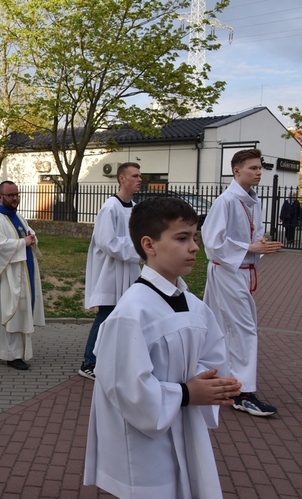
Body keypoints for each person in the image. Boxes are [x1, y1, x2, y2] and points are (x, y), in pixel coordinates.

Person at [84, 197, 241, 498]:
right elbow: (126, 387)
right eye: (182, 238)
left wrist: (211, 383)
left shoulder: (195, 306)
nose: (195, 246)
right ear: (149, 245)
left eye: (194, 236)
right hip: (147, 444)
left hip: (186, 425)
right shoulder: (133, 311)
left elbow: (212, 355)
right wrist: (185, 393)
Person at [202, 148, 283, 417]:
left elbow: (253, 236)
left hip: (242, 270)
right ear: (236, 171)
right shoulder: (226, 201)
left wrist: (260, 245)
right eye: (252, 168)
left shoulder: (252, 200)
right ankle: (243, 392)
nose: (258, 172)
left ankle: (223, 379)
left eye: (260, 168)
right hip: (228, 271)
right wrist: (250, 247)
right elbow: (212, 244)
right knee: (244, 329)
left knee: (224, 327)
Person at [78, 162, 142, 380]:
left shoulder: (133, 207)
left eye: (139, 175)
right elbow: (107, 242)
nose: (139, 179)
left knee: (125, 316)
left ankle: (115, 359)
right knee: (105, 316)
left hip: (129, 270)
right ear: (122, 179)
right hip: (110, 272)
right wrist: (139, 250)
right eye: (135, 175)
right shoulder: (110, 207)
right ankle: (89, 362)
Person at [0, 180, 44, 370]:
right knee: (10, 313)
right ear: (1, 197)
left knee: (7, 313)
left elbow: (27, 234)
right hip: (4, 274)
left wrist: (32, 238)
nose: (15, 198)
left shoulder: (18, 216)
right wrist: (23, 243)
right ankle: (13, 356)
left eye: (17, 194)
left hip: (22, 272)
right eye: (11, 195)